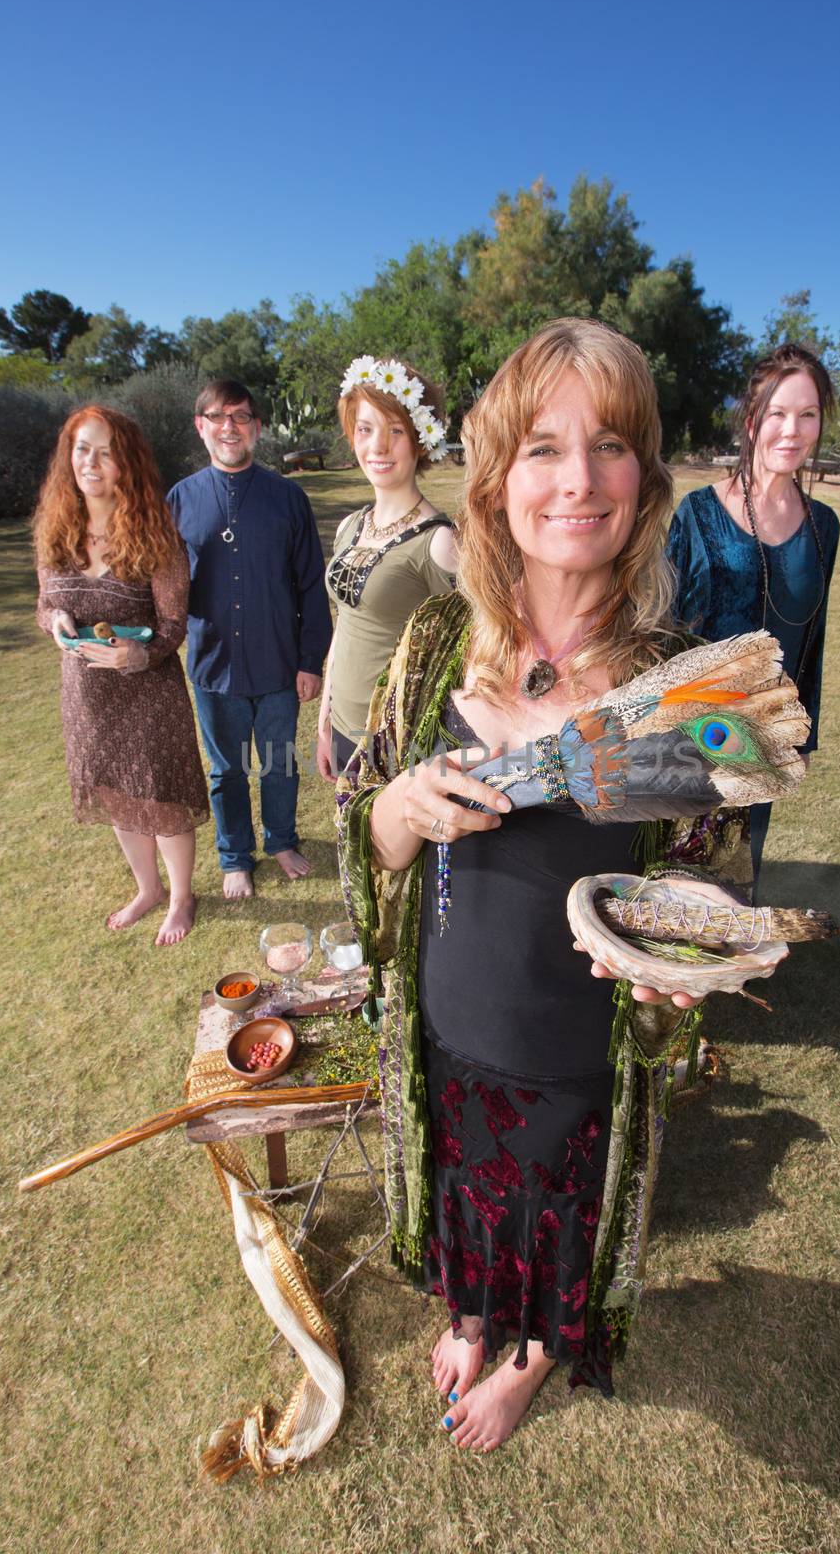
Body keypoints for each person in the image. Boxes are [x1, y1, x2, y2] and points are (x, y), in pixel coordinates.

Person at [338, 319, 750, 1453]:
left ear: (646, 479)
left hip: (582, 1060)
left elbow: (712, 876)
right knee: (469, 1203)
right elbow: (361, 839)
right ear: (495, 478)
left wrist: (682, 958)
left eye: (609, 444)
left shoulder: (678, 681)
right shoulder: (429, 647)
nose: (577, 479)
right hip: (448, 1033)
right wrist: (400, 811)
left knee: (558, 1221)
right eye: (542, 449)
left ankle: (526, 1359)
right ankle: (474, 1317)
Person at [665, 344, 840, 886]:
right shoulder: (699, 512)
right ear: (752, 420)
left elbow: (814, 636)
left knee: (740, 867)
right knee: (674, 868)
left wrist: (801, 735)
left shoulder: (824, 525)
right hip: (692, 729)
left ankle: (727, 968)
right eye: (778, 414)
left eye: (807, 414)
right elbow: (666, 628)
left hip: (766, 733)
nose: (793, 429)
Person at [35, 405, 209, 946]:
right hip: (86, 696)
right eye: (83, 448)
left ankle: (181, 896)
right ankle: (147, 889)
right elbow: (45, 603)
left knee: (161, 794)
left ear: (125, 463)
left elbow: (173, 623)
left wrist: (141, 656)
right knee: (115, 793)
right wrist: (55, 620)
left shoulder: (155, 531)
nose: (92, 461)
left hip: (147, 691)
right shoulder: (56, 527)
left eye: (105, 451)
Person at [167, 380, 332, 899]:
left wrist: (311, 661)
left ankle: (281, 841)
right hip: (215, 667)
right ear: (201, 427)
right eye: (217, 417)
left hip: (280, 664)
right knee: (226, 772)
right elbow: (162, 583)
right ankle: (234, 856)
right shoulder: (180, 500)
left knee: (280, 765)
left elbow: (310, 582)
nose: (229, 427)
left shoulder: (287, 497)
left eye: (240, 417)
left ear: (257, 428)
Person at [317, 356, 457, 780]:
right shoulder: (349, 526)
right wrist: (325, 717)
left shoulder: (439, 542)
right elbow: (344, 625)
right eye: (365, 429)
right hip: (342, 726)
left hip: (396, 744)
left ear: (420, 440)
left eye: (395, 430)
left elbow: (469, 656)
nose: (378, 446)